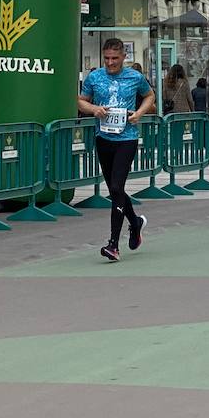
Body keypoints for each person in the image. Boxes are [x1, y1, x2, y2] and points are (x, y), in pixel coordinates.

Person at [77, 38, 155, 262]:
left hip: (127, 138)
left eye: (115, 58)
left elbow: (150, 96)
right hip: (103, 137)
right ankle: (135, 222)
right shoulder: (95, 77)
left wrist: (139, 114)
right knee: (115, 191)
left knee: (116, 186)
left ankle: (113, 244)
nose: (110, 63)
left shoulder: (134, 77)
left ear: (123, 57)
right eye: (107, 58)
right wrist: (94, 109)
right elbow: (81, 101)